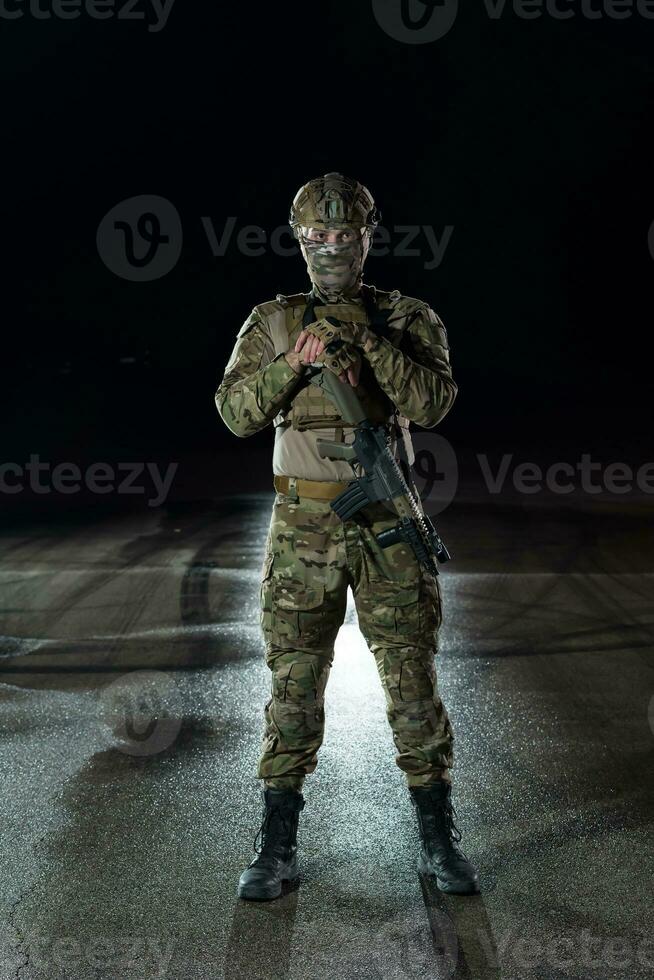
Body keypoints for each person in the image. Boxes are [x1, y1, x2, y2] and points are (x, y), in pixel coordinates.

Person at [215, 173, 479, 901]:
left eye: (346, 235)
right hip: (302, 529)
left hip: (389, 526)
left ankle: (437, 838)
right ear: (301, 240)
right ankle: (276, 844)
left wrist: (370, 344)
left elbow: (432, 404)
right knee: (294, 682)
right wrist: (294, 361)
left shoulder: (406, 317)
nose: (333, 247)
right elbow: (234, 413)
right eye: (319, 236)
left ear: (369, 238)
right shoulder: (271, 321)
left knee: (412, 682)